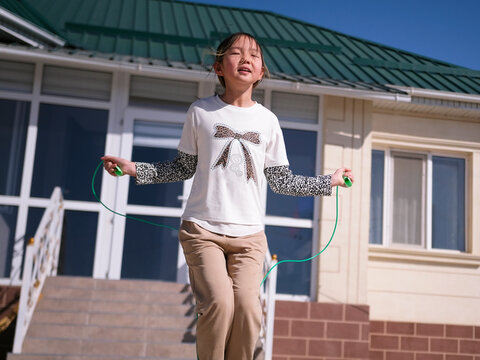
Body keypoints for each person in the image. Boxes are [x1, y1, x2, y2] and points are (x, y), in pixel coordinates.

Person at [101, 32, 353, 360]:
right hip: (201, 231)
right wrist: (135, 168)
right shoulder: (201, 113)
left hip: (249, 237)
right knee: (220, 303)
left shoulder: (267, 122)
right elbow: (182, 168)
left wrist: (328, 181)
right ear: (219, 66)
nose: (246, 59)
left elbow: (283, 182)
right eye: (236, 53)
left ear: (261, 72)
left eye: (254, 55)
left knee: (248, 310)